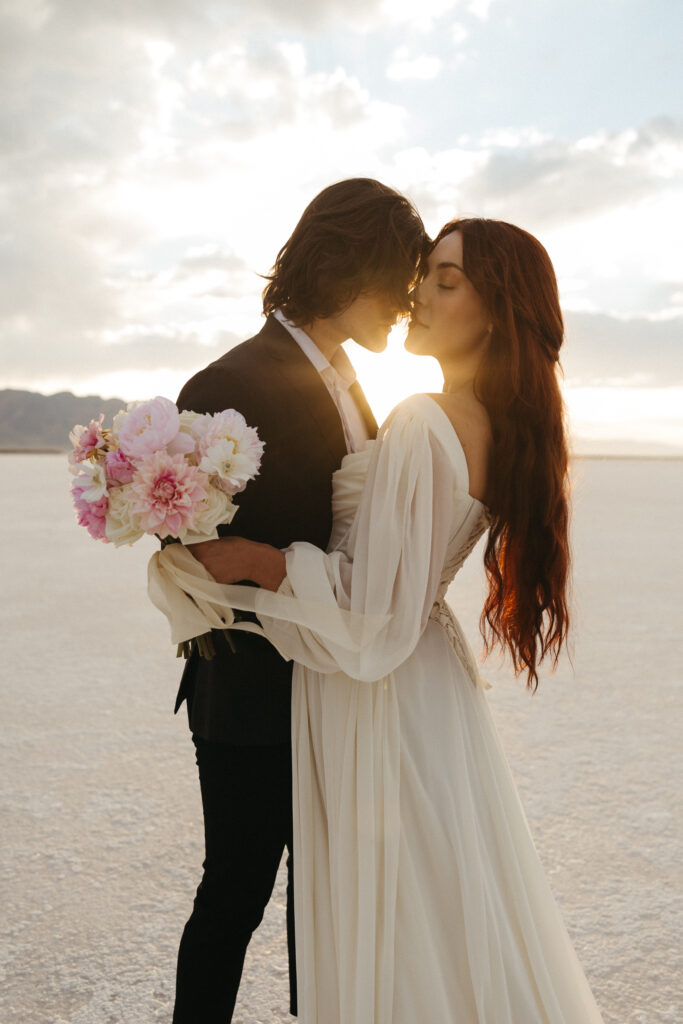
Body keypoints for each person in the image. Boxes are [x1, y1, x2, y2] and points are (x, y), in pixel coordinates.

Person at [163, 218, 605, 1021]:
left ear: (497, 309)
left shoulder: (427, 420)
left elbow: (370, 604)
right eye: (423, 274)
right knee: (432, 897)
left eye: (445, 279)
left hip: (374, 686)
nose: (419, 294)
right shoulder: (499, 425)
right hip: (427, 681)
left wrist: (260, 563)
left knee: (395, 908)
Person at [169, 178, 426, 1023]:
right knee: (235, 898)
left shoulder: (350, 377)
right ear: (347, 263)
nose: (406, 301)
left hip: (339, 690)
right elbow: (196, 549)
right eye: (399, 279)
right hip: (251, 696)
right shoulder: (229, 383)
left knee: (328, 906)